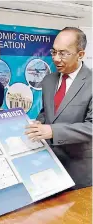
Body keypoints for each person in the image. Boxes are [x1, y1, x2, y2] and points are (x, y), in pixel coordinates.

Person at [25, 27, 92, 190]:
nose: (55, 58)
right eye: (54, 52)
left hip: (78, 170)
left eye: (63, 53)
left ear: (81, 54)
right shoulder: (48, 80)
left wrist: (54, 131)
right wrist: (38, 122)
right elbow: (47, 112)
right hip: (48, 165)